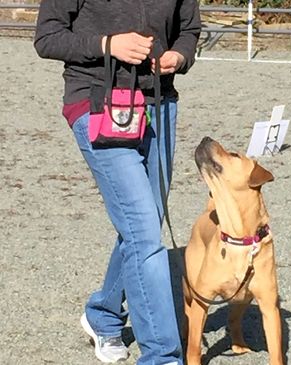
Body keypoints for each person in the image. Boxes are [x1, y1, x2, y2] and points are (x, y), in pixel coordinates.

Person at [34, 1, 201, 364]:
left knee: (141, 228)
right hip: (96, 101)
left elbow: (189, 30)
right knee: (143, 230)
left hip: (160, 103)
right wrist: (107, 44)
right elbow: (47, 37)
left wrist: (179, 57)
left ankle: (104, 315)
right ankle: (162, 356)